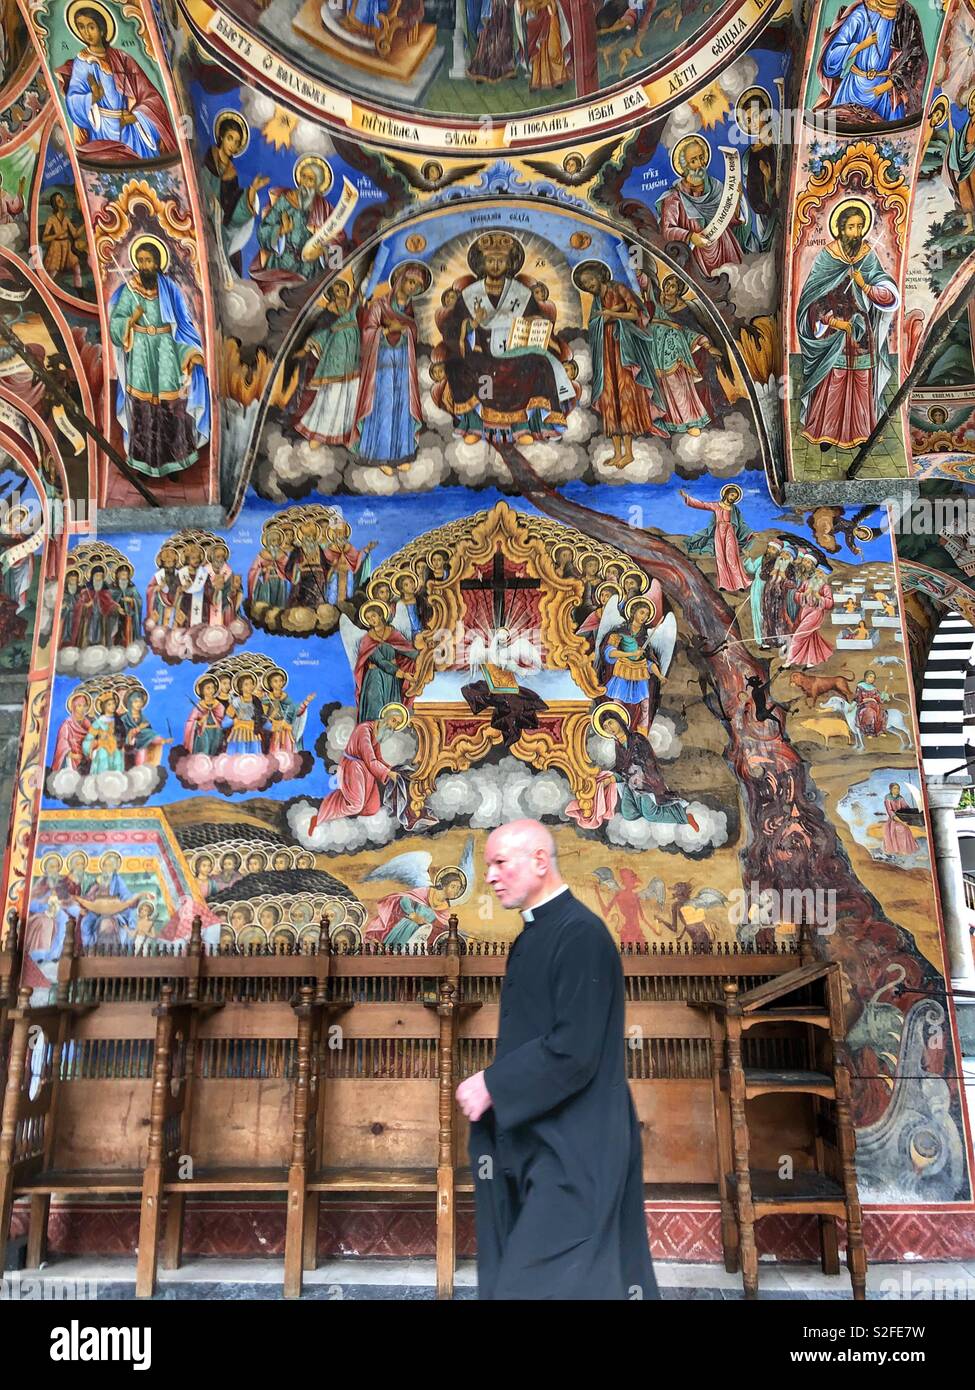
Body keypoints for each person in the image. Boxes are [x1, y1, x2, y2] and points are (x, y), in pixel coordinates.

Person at [456, 819, 658, 1300]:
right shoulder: (536, 933)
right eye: (489, 865)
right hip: (545, 1140)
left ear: (540, 861)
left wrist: (493, 1085)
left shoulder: (580, 935)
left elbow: (574, 1051)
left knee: (543, 1284)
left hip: (578, 1146)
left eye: (501, 862)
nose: (490, 876)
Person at [796, 203, 898, 452]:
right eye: (851, 227)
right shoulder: (828, 257)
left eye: (860, 226)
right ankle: (826, 434)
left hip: (862, 333)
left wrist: (865, 286)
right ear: (840, 229)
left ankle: (863, 433)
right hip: (834, 332)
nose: (857, 231)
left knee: (861, 381)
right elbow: (812, 298)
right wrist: (832, 322)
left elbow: (887, 294)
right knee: (834, 381)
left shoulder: (867, 256)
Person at [108, 239, 210, 478]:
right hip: (142, 354)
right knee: (144, 409)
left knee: (171, 406)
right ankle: (145, 464)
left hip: (166, 351)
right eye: (141, 261)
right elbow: (116, 325)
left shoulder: (170, 289)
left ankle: (175, 463)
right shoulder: (129, 290)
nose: (144, 266)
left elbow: (183, 324)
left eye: (149, 260)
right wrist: (132, 319)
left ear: (158, 263)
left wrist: (191, 352)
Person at [58, 6, 176, 163]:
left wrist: (135, 117)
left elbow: (150, 97)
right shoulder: (82, 62)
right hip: (102, 133)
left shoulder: (122, 58)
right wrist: (92, 98)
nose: (86, 33)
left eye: (91, 27)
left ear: (102, 29)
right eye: (81, 27)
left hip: (129, 128)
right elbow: (73, 100)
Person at [681, 485, 751, 592]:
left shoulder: (734, 509)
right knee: (720, 557)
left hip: (729, 531)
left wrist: (750, 533)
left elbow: (741, 523)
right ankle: (724, 584)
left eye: (735, 497)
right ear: (727, 494)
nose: (733, 498)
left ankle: (739, 584)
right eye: (732, 495)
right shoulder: (717, 506)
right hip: (719, 532)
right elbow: (703, 505)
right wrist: (687, 498)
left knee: (731, 557)